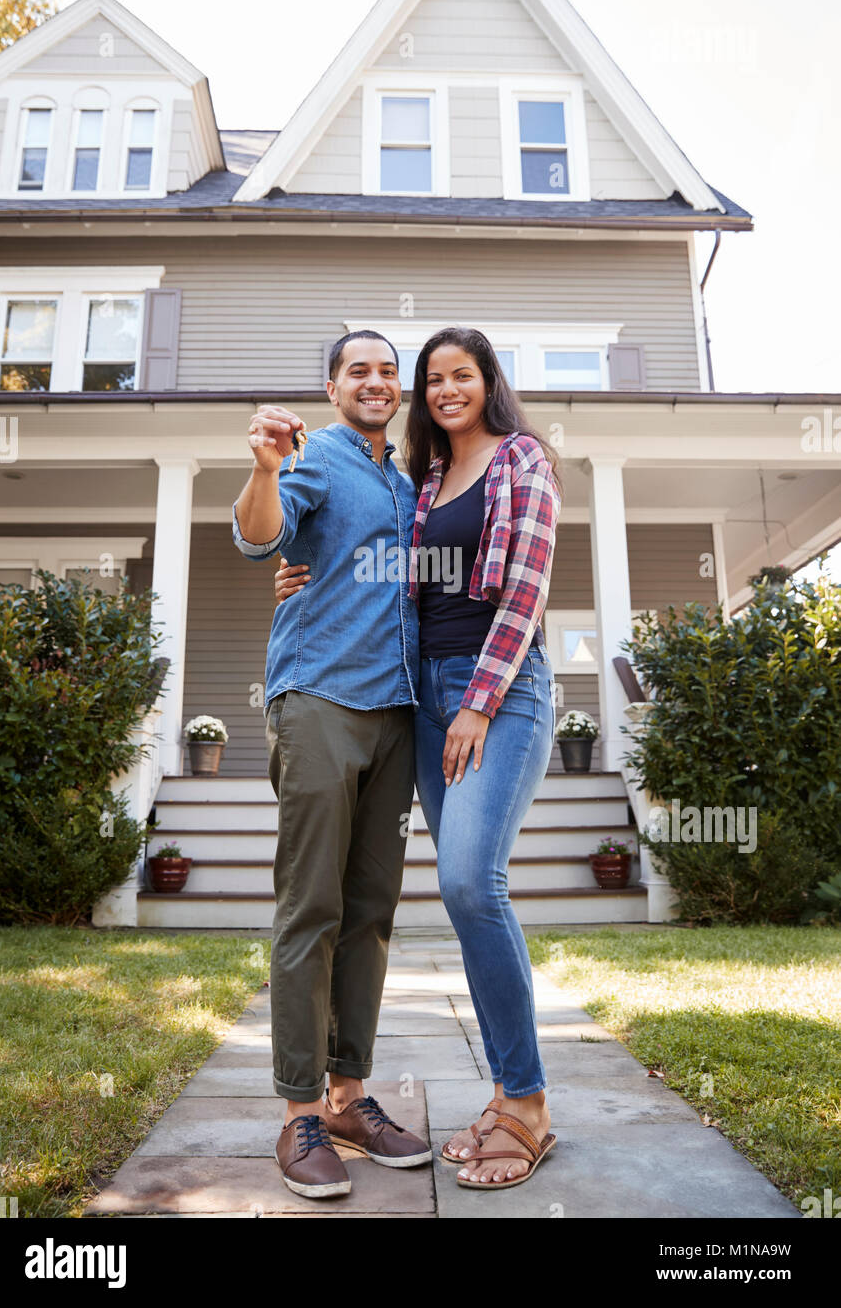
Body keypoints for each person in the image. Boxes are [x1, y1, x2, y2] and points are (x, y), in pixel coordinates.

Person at [276, 326, 562, 1190]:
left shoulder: (522, 461)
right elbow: (367, 564)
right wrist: (301, 574)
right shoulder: (421, 482)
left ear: (488, 382)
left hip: (495, 691)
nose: (442, 390)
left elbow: (526, 588)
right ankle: (322, 1107)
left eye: (458, 375)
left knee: (473, 884)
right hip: (419, 699)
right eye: (431, 378)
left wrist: (477, 700)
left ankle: (527, 1102)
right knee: (373, 898)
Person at [231, 330, 431, 1200]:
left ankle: (350, 1097)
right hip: (319, 700)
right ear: (333, 386)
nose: (378, 382)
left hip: (397, 714)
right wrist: (267, 468)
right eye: (361, 370)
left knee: (371, 910)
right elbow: (256, 537)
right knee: (309, 906)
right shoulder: (316, 461)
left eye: (390, 371)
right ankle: (297, 1114)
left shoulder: (409, 479)